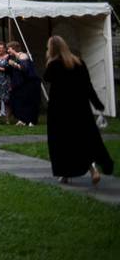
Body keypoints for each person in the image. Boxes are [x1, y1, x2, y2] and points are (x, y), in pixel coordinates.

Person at [44, 35, 114, 184]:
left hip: (60, 109)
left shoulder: (53, 65)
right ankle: (92, 168)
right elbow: (88, 86)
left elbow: (47, 78)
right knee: (83, 138)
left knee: (62, 142)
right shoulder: (78, 62)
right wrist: (98, 104)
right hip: (80, 107)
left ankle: (64, 173)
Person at [6, 41, 41, 126]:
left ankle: (31, 121)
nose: (8, 51)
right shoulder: (14, 57)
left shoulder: (23, 55)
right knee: (18, 101)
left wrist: (13, 64)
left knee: (28, 101)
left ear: (13, 48)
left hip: (29, 83)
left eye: (9, 49)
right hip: (20, 84)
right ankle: (22, 119)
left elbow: (24, 68)